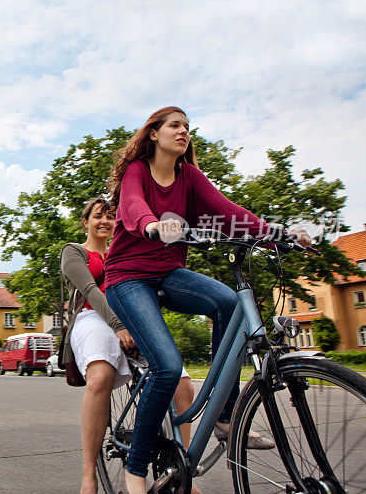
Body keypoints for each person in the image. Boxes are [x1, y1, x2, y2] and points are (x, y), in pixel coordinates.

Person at [102, 107, 310, 494]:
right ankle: (136, 468)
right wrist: (151, 225)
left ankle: (225, 416)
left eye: (187, 127)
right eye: (174, 125)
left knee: (230, 304)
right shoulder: (138, 171)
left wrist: (279, 234)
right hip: (128, 277)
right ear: (153, 134)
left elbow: (229, 212)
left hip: (168, 272)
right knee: (167, 367)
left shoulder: (190, 176)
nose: (183, 132)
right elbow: (133, 205)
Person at [60, 197, 200, 494]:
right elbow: (90, 291)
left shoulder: (123, 252)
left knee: (182, 385)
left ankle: (182, 472)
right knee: (100, 379)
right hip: (93, 318)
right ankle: (89, 475)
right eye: (98, 216)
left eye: (111, 217)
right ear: (85, 221)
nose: (105, 222)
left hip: (130, 317)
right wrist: (118, 326)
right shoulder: (74, 252)